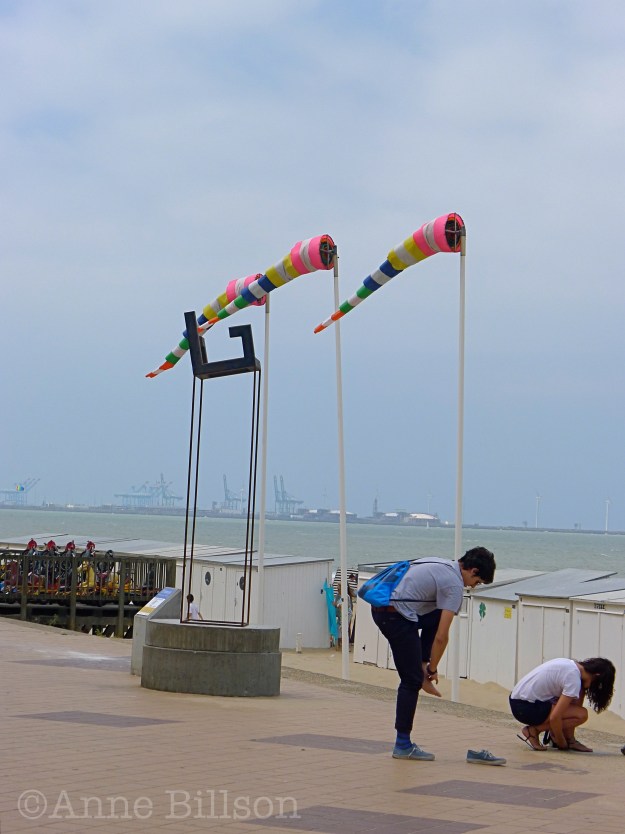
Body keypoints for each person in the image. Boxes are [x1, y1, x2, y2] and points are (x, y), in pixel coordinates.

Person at [371, 547, 496, 761]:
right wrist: (432, 670)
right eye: (477, 583)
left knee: (438, 612)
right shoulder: (455, 585)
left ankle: (420, 668)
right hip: (395, 616)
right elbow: (441, 637)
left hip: (384, 609)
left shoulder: (441, 564)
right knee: (410, 682)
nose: (472, 587)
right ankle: (402, 745)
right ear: (473, 571)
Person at [510, 656, 615, 752]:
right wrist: (561, 743)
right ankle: (533, 731)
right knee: (581, 715)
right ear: (597, 676)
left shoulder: (571, 666)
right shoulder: (573, 678)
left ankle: (570, 739)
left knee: (579, 693)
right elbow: (555, 717)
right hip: (525, 708)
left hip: (517, 702)